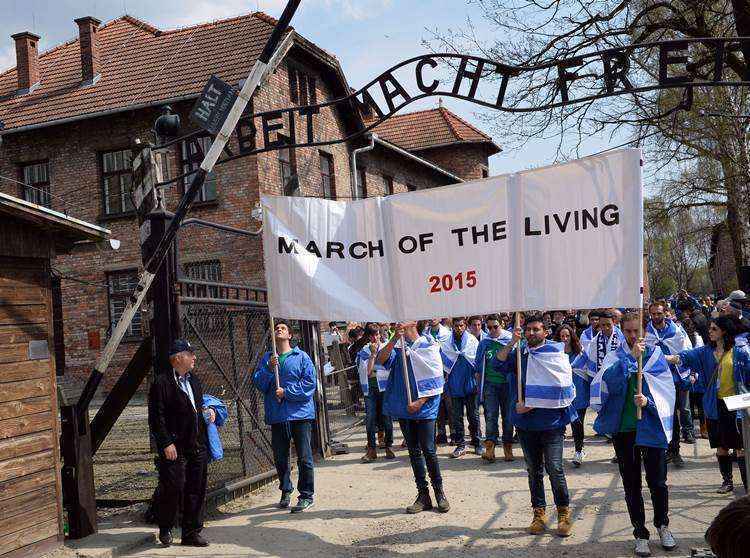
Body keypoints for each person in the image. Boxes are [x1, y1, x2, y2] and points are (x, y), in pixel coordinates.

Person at [591, 313, 677, 557]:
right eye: (627, 331)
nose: (632, 336)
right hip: (625, 430)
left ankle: (663, 525)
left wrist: (647, 401)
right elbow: (610, 385)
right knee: (631, 484)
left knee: (658, 482)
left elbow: (666, 393)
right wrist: (630, 358)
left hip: (651, 428)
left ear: (644, 331)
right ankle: (640, 532)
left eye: (635, 331)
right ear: (622, 331)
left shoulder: (656, 356)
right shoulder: (615, 356)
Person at [496, 313, 576, 537]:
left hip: (551, 423)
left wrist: (529, 404)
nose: (531, 333)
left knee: (555, 468)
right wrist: (512, 341)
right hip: (526, 425)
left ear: (545, 331)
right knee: (534, 471)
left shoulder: (555, 352)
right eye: (528, 330)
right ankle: (538, 514)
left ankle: (563, 513)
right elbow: (497, 363)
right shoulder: (520, 353)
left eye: (536, 329)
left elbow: (561, 386)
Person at [666, 316, 750, 493]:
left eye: (713, 329)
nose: (709, 332)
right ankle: (727, 481)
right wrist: (660, 356)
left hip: (736, 405)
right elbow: (683, 357)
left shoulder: (740, 352)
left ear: (724, 331)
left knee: (741, 447)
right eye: (710, 329)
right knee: (721, 447)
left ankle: (747, 484)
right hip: (714, 404)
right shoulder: (704, 352)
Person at [377, 322, 450, 514]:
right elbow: (381, 359)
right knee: (414, 451)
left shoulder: (428, 345)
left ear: (413, 322)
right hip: (405, 407)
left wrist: (420, 401)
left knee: (429, 450)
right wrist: (393, 338)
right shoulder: (399, 346)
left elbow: (437, 378)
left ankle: (439, 493)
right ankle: (423, 494)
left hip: (424, 407)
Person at [148, 340, 213, 547]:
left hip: (196, 443)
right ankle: (166, 526)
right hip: (175, 446)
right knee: (173, 486)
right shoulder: (162, 383)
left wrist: (208, 413)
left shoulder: (194, 381)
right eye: (190, 354)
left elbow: (198, 407)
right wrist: (166, 442)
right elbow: (156, 418)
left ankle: (191, 532)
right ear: (178, 358)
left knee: (196, 488)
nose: (194, 358)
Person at [253, 321, 317, 512]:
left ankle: (306, 495)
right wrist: (269, 370)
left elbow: (309, 384)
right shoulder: (267, 359)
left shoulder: (301, 357)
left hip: (300, 415)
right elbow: (259, 384)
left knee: (304, 457)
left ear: (289, 335)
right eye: (276, 328)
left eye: (282, 328)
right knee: (281, 457)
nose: (278, 329)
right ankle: (286, 489)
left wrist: (287, 392)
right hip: (278, 415)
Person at [570, 309, 623, 466]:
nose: (605, 328)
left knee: (620, 418)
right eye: (602, 326)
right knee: (609, 417)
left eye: (608, 325)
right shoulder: (594, 341)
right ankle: (616, 451)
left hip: (620, 383)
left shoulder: (622, 338)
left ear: (614, 322)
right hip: (602, 384)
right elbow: (588, 361)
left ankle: (620, 451)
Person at [645, 301, 693, 468]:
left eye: (659, 313)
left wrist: (692, 372)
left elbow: (687, 350)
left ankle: (675, 451)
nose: (656, 316)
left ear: (665, 313)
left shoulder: (676, 330)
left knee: (676, 415)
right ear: (650, 314)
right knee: (662, 414)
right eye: (653, 314)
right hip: (657, 379)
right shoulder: (647, 332)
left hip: (676, 377)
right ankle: (664, 450)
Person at [476, 314, 515, 462]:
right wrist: (480, 388)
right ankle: (490, 448)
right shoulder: (484, 342)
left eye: (495, 326)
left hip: (507, 384)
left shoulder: (511, 340)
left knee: (508, 416)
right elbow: (479, 367)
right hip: (490, 384)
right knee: (490, 416)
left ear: (502, 325)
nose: (492, 330)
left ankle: (507, 447)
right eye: (489, 327)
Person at [442, 317, 481, 458]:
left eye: (461, 326)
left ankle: (477, 443)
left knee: (474, 416)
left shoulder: (472, 341)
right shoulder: (446, 343)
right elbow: (443, 363)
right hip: (454, 384)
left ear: (465, 326)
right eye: (456, 326)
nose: (459, 328)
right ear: (452, 326)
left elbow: (477, 361)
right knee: (456, 417)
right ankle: (460, 445)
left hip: (470, 384)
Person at [357, 323, 395, 462]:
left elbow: (387, 366)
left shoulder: (387, 348)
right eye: (372, 335)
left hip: (385, 388)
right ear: (368, 336)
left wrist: (375, 364)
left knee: (386, 418)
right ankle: (371, 449)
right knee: (370, 418)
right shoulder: (364, 351)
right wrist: (373, 355)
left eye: (377, 334)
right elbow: (367, 372)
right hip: (370, 389)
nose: (375, 337)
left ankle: (389, 446)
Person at [556, 325, 587, 467]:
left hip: (579, 393)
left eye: (567, 336)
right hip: (561, 395)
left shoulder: (581, 353)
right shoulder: (555, 354)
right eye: (562, 336)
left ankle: (579, 451)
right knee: (559, 424)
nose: (565, 339)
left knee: (577, 423)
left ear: (572, 336)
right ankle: (555, 454)